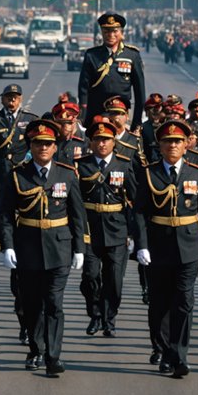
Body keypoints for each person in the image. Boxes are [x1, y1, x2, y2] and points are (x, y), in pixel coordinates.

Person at [0, 119, 86, 378]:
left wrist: (80, 248)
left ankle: (53, 356)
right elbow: (4, 214)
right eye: (38, 143)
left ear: (55, 146)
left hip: (59, 247)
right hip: (27, 247)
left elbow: (77, 214)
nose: (43, 148)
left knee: (54, 303)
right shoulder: (18, 175)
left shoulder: (67, 174)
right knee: (32, 303)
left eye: (48, 143)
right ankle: (35, 349)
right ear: (31, 145)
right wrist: (8, 246)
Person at [133, 120, 198, 379]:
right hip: (158, 244)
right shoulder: (149, 173)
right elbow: (139, 213)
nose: (173, 145)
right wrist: (141, 245)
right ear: (160, 146)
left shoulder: (196, 171)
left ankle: (179, 355)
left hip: (189, 244)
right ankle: (162, 348)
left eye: (178, 141)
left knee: (184, 301)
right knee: (159, 302)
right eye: (168, 141)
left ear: (186, 145)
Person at [0, 84, 38, 344]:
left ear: (20, 99)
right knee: (2, 215)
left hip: (24, 178)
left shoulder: (30, 120)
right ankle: (2, 242)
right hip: (1, 177)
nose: (12, 102)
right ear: (2, 99)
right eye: (8, 98)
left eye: (15, 98)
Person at [76, 118, 136, 338]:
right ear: (90, 142)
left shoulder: (124, 164)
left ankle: (109, 318)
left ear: (114, 142)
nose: (102, 143)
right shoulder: (81, 165)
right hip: (90, 229)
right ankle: (95, 314)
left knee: (114, 280)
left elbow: (135, 200)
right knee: (90, 277)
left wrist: (134, 233)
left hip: (116, 229)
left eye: (106, 139)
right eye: (97, 139)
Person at [78, 12, 145, 131]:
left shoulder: (132, 55)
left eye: (115, 31)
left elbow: (140, 92)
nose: (111, 35)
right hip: (96, 112)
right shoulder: (92, 55)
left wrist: (137, 122)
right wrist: (83, 115)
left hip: (120, 112)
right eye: (106, 31)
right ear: (102, 33)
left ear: (121, 33)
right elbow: (83, 88)